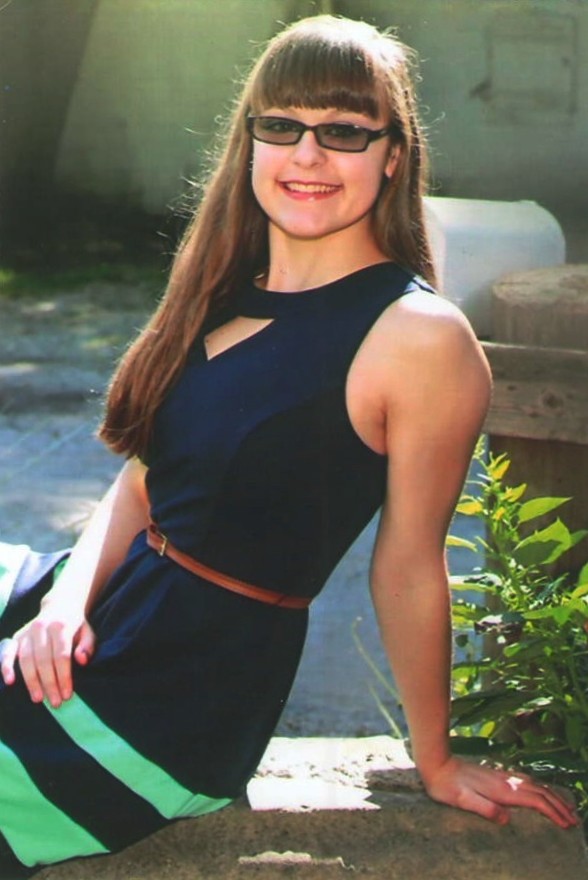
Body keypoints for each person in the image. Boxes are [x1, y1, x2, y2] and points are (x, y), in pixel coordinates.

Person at [0, 13, 578, 877]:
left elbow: (408, 564)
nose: (307, 154)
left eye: (343, 131)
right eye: (282, 125)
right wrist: (63, 604)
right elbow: (145, 483)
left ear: (393, 154)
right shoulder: (224, 288)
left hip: (176, 692)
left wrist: (436, 760)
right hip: (94, 610)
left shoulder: (418, 338)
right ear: (251, 141)